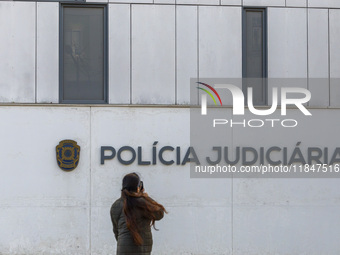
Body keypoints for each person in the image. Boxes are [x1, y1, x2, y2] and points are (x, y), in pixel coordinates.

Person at [110, 172, 167, 255]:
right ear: (138, 187)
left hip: (123, 248)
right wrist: (146, 197)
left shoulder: (116, 205)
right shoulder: (142, 202)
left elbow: (116, 231)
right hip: (141, 248)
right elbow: (160, 213)